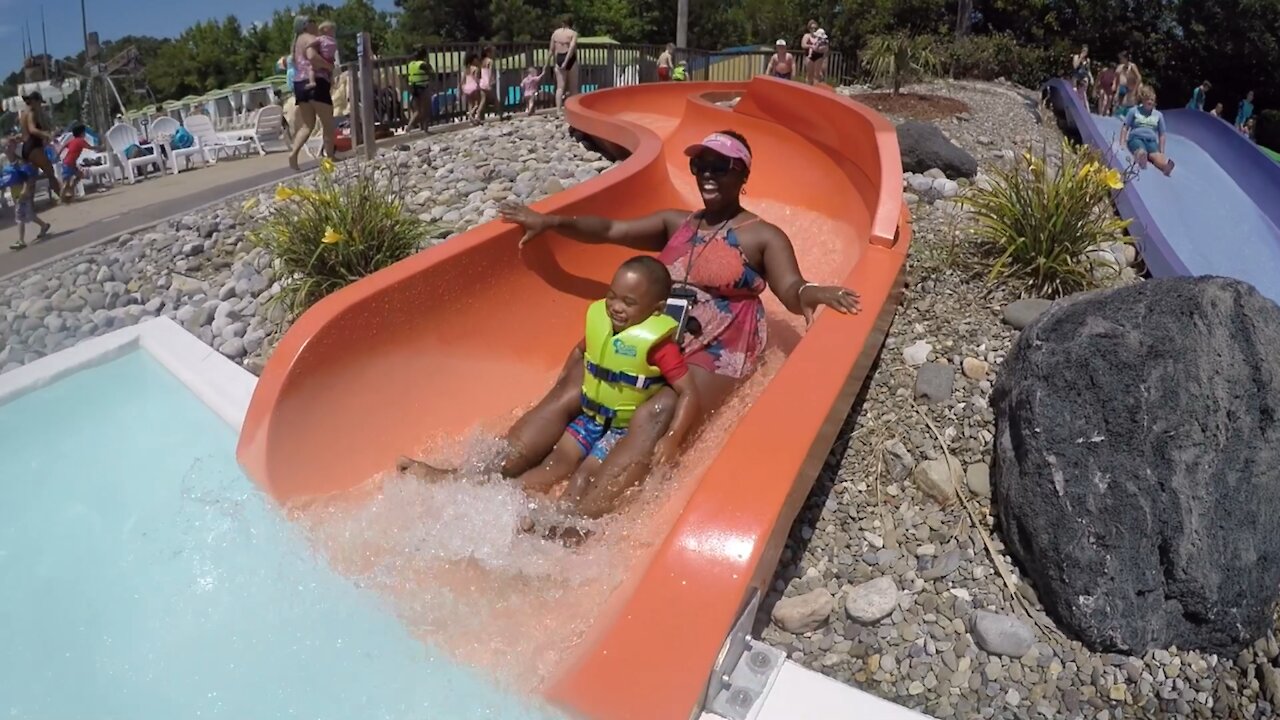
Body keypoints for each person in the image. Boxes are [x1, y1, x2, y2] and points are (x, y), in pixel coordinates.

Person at [399, 130, 861, 518]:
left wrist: (814, 293)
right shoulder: (676, 223)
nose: (707, 174)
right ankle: (473, 479)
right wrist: (551, 222)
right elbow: (610, 231)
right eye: (701, 165)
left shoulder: (763, 235)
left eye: (720, 166)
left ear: (742, 173)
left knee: (657, 409)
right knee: (573, 385)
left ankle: (577, 520)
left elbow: (791, 288)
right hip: (655, 330)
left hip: (720, 345)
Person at [287, 15, 336, 171]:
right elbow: (312, 57)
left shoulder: (296, 43)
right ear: (306, 25)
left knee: (307, 125)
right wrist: (328, 66)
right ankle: (330, 158)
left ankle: (293, 153)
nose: (316, 25)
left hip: (299, 84)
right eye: (313, 22)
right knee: (328, 123)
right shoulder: (310, 38)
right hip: (316, 83)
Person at [1121, 87, 1175, 177]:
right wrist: (1122, 142)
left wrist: (1162, 151)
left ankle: (1165, 166)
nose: (1150, 102)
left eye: (1152, 100)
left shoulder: (1158, 115)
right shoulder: (1134, 111)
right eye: (1147, 99)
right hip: (1136, 138)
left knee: (1156, 155)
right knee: (1141, 150)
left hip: (1151, 141)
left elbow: (1162, 134)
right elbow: (1125, 127)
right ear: (1142, 100)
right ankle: (1141, 158)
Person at [18, 92, 60, 198]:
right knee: (50, 171)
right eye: (40, 103)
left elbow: (25, 132)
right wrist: (46, 135)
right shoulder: (31, 112)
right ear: (34, 101)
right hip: (34, 148)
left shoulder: (23, 113)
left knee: (31, 179)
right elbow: (32, 129)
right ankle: (64, 196)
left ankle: (26, 206)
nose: (40, 106)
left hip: (26, 148)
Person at [58, 124, 105, 201]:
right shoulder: (80, 141)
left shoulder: (72, 141)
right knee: (66, 183)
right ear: (81, 133)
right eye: (84, 132)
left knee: (79, 175)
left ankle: (70, 194)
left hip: (69, 163)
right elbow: (90, 147)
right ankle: (62, 199)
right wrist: (100, 147)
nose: (85, 134)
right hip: (69, 164)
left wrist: (58, 154)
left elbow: (63, 146)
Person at [550, 15, 579, 111]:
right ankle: (573, 109)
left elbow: (551, 50)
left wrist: (547, 65)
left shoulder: (555, 33)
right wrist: (566, 61)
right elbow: (571, 48)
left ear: (562, 23)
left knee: (560, 87)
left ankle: (558, 109)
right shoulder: (573, 33)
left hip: (559, 58)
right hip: (570, 59)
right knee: (573, 87)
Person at [406, 47, 433, 132]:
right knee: (425, 110)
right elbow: (432, 74)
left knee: (417, 110)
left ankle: (410, 127)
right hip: (423, 88)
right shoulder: (423, 64)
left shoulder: (411, 65)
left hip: (413, 89)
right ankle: (424, 129)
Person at [461, 52, 482, 122]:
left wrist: (462, 87)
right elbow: (476, 78)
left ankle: (471, 118)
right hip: (473, 86)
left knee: (470, 103)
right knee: (477, 103)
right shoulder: (475, 68)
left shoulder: (466, 69)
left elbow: (463, 79)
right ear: (473, 60)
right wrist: (480, 82)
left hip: (466, 87)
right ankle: (471, 114)